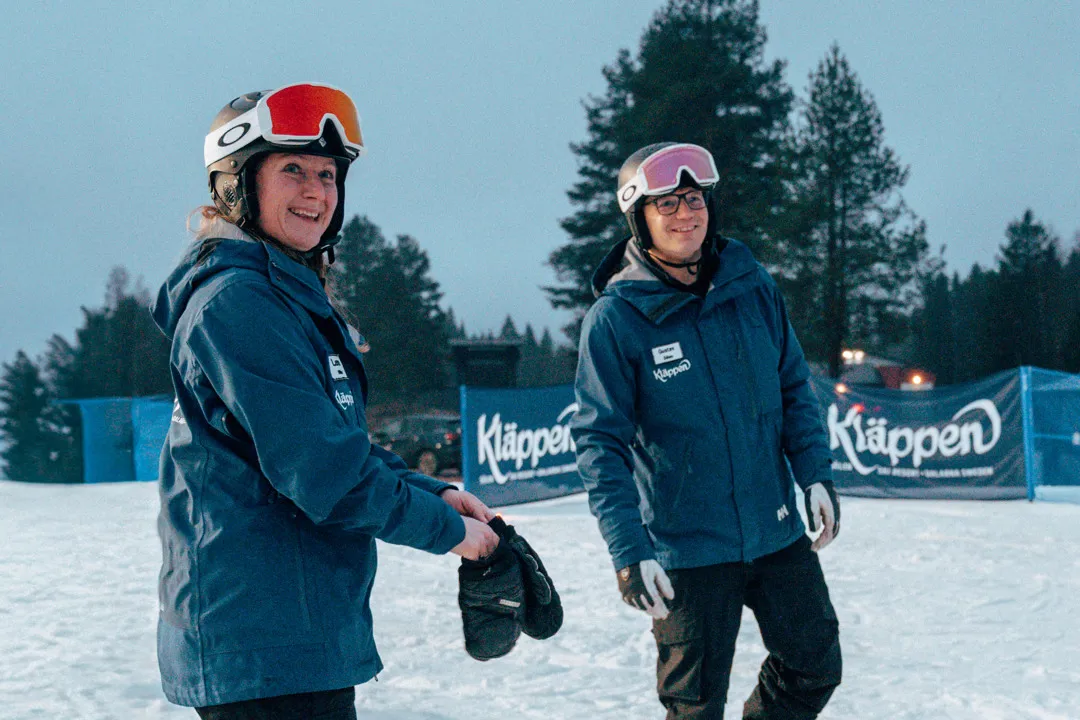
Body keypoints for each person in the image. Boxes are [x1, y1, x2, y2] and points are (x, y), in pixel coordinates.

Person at [151, 82, 500, 719]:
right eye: (293, 171)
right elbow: (326, 476)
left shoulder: (284, 298)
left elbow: (334, 444)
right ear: (237, 185)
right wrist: (452, 534)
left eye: (328, 175)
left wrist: (435, 493)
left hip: (294, 633)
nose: (316, 193)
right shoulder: (240, 305)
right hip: (259, 644)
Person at [571, 142, 843, 719]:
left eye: (692, 198)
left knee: (814, 664)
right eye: (664, 204)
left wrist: (814, 474)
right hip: (685, 549)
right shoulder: (616, 320)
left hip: (774, 533)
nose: (684, 215)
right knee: (694, 708)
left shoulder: (753, 288)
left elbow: (794, 389)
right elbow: (600, 444)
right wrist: (628, 550)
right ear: (638, 219)